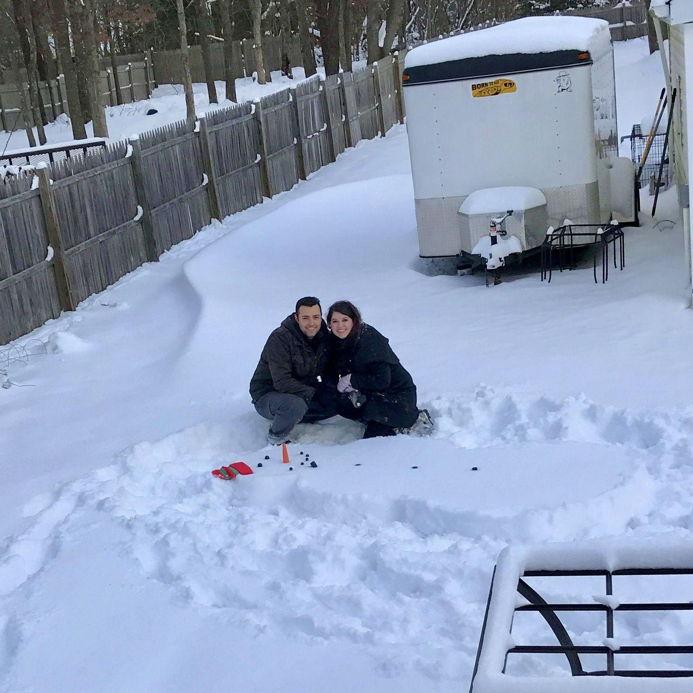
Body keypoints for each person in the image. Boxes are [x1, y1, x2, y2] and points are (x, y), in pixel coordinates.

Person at [327, 300, 432, 439]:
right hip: (373, 394)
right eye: (335, 321)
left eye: (345, 320)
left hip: (397, 396)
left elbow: (382, 380)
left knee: (373, 439)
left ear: (354, 320)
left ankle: (412, 421)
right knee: (338, 402)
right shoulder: (339, 340)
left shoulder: (369, 340)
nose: (340, 326)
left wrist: (352, 380)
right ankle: (373, 418)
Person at [250, 297, 337, 444]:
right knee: (294, 405)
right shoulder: (280, 338)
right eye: (305, 318)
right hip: (269, 396)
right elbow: (282, 382)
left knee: (338, 399)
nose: (311, 323)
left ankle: (300, 415)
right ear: (297, 318)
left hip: (302, 392)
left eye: (316, 317)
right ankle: (276, 437)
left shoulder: (324, 336)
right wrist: (315, 393)